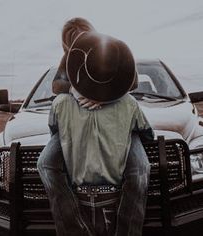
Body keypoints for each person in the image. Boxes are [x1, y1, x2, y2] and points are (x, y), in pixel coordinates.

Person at [37, 20, 154, 236]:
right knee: (45, 163)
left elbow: (133, 82)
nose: (77, 41)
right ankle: (72, 227)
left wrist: (105, 95)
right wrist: (78, 89)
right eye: (71, 41)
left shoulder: (109, 49)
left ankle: (127, 230)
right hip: (73, 119)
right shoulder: (70, 58)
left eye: (81, 35)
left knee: (140, 170)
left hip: (119, 116)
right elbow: (56, 87)